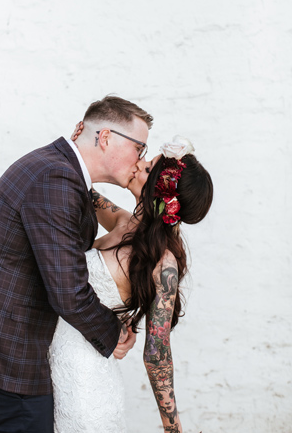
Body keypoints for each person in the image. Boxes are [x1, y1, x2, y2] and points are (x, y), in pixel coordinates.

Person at [0, 95, 152, 433]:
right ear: (106, 138)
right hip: (10, 353)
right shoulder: (55, 179)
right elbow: (68, 292)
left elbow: (122, 224)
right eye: (139, 148)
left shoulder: (61, 171)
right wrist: (113, 334)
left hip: (12, 348)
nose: (140, 159)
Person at [49, 127, 213, 433]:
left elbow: (157, 353)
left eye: (148, 166)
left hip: (85, 383)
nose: (139, 164)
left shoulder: (164, 265)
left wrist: (173, 428)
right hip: (54, 364)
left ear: (162, 190)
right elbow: (82, 187)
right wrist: (78, 147)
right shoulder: (122, 220)